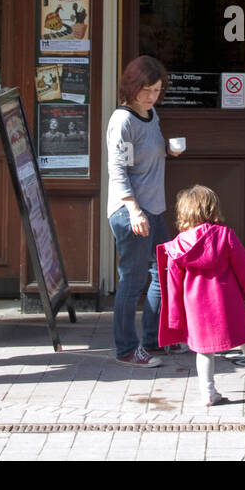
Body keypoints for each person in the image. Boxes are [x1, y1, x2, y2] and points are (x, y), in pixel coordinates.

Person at [157, 185, 245, 406]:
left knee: (204, 350)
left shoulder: (178, 246)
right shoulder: (225, 236)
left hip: (195, 306)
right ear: (213, 208)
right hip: (227, 300)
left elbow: (173, 284)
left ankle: (208, 392)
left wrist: (175, 316)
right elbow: (243, 266)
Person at [106, 55, 183, 367]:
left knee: (162, 274)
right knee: (132, 281)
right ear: (132, 87)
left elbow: (147, 153)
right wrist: (134, 211)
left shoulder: (151, 115)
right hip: (132, 213)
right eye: (146, 90)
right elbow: (117, 169)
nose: (152, 96)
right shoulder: (123, 120)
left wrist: (168, 151)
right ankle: (126, 348)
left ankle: (154, 339)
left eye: (157, 90)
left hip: (153, 209)